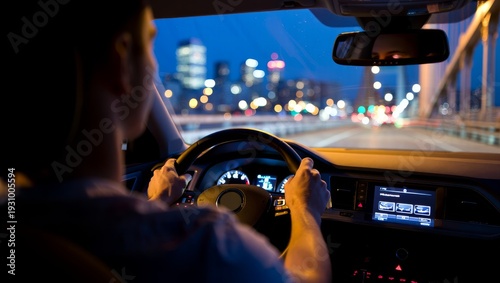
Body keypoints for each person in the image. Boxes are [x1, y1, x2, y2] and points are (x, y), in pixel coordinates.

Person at [3, 1, 332, 282]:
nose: (155, 65)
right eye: (149, 45)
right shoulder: (208, 246)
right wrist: (305, 211)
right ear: (122, 65)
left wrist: (156, 203)